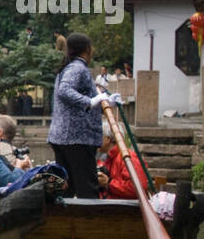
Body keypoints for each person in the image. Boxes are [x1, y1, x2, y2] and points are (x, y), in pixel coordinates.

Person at [49, 32, 112, 199]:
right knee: (87, 188)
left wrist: (104, 101)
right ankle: (90, 216)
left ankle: (66, 215)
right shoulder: (77, 68)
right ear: (87, 49)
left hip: (63, 137)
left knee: (67, 188)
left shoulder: (68, 67)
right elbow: (65, 90)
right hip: (77, 138)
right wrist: (89, 101)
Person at [97, 121, 147, 199]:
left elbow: (139, 189)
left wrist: (108, 183)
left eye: (99, 136)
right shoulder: (108, 158)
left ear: (107, 139)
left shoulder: (128, 158)